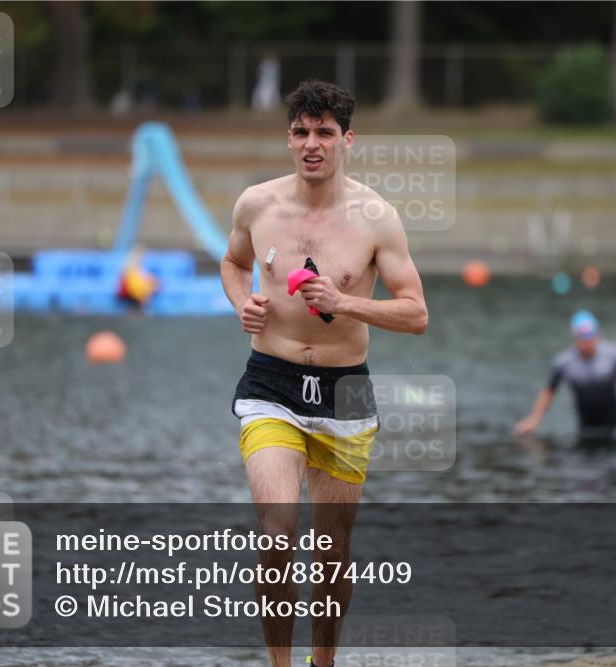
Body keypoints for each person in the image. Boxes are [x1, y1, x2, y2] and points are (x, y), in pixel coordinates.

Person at [221, 80, 428, 667]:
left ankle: (323, 663)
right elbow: (233, 262)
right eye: (300, 132)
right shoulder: (256, 205)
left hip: (344, 391)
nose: (312, 144)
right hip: (271, 385)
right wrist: (242, 302)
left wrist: (346, 302)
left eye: (325, 133)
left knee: (332, 554)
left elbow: (416, 314)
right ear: (288, 139)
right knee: (277, 536)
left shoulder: (376, 218)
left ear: (347, 140)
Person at [514, 310, 616, 444]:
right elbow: (549, 391)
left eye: (591, 338)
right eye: (583, 339)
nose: (588, 343)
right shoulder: (564, 363)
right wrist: (533, 420)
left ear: (598, 336)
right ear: (575, 340)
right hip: (586, 427)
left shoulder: (614, 355)